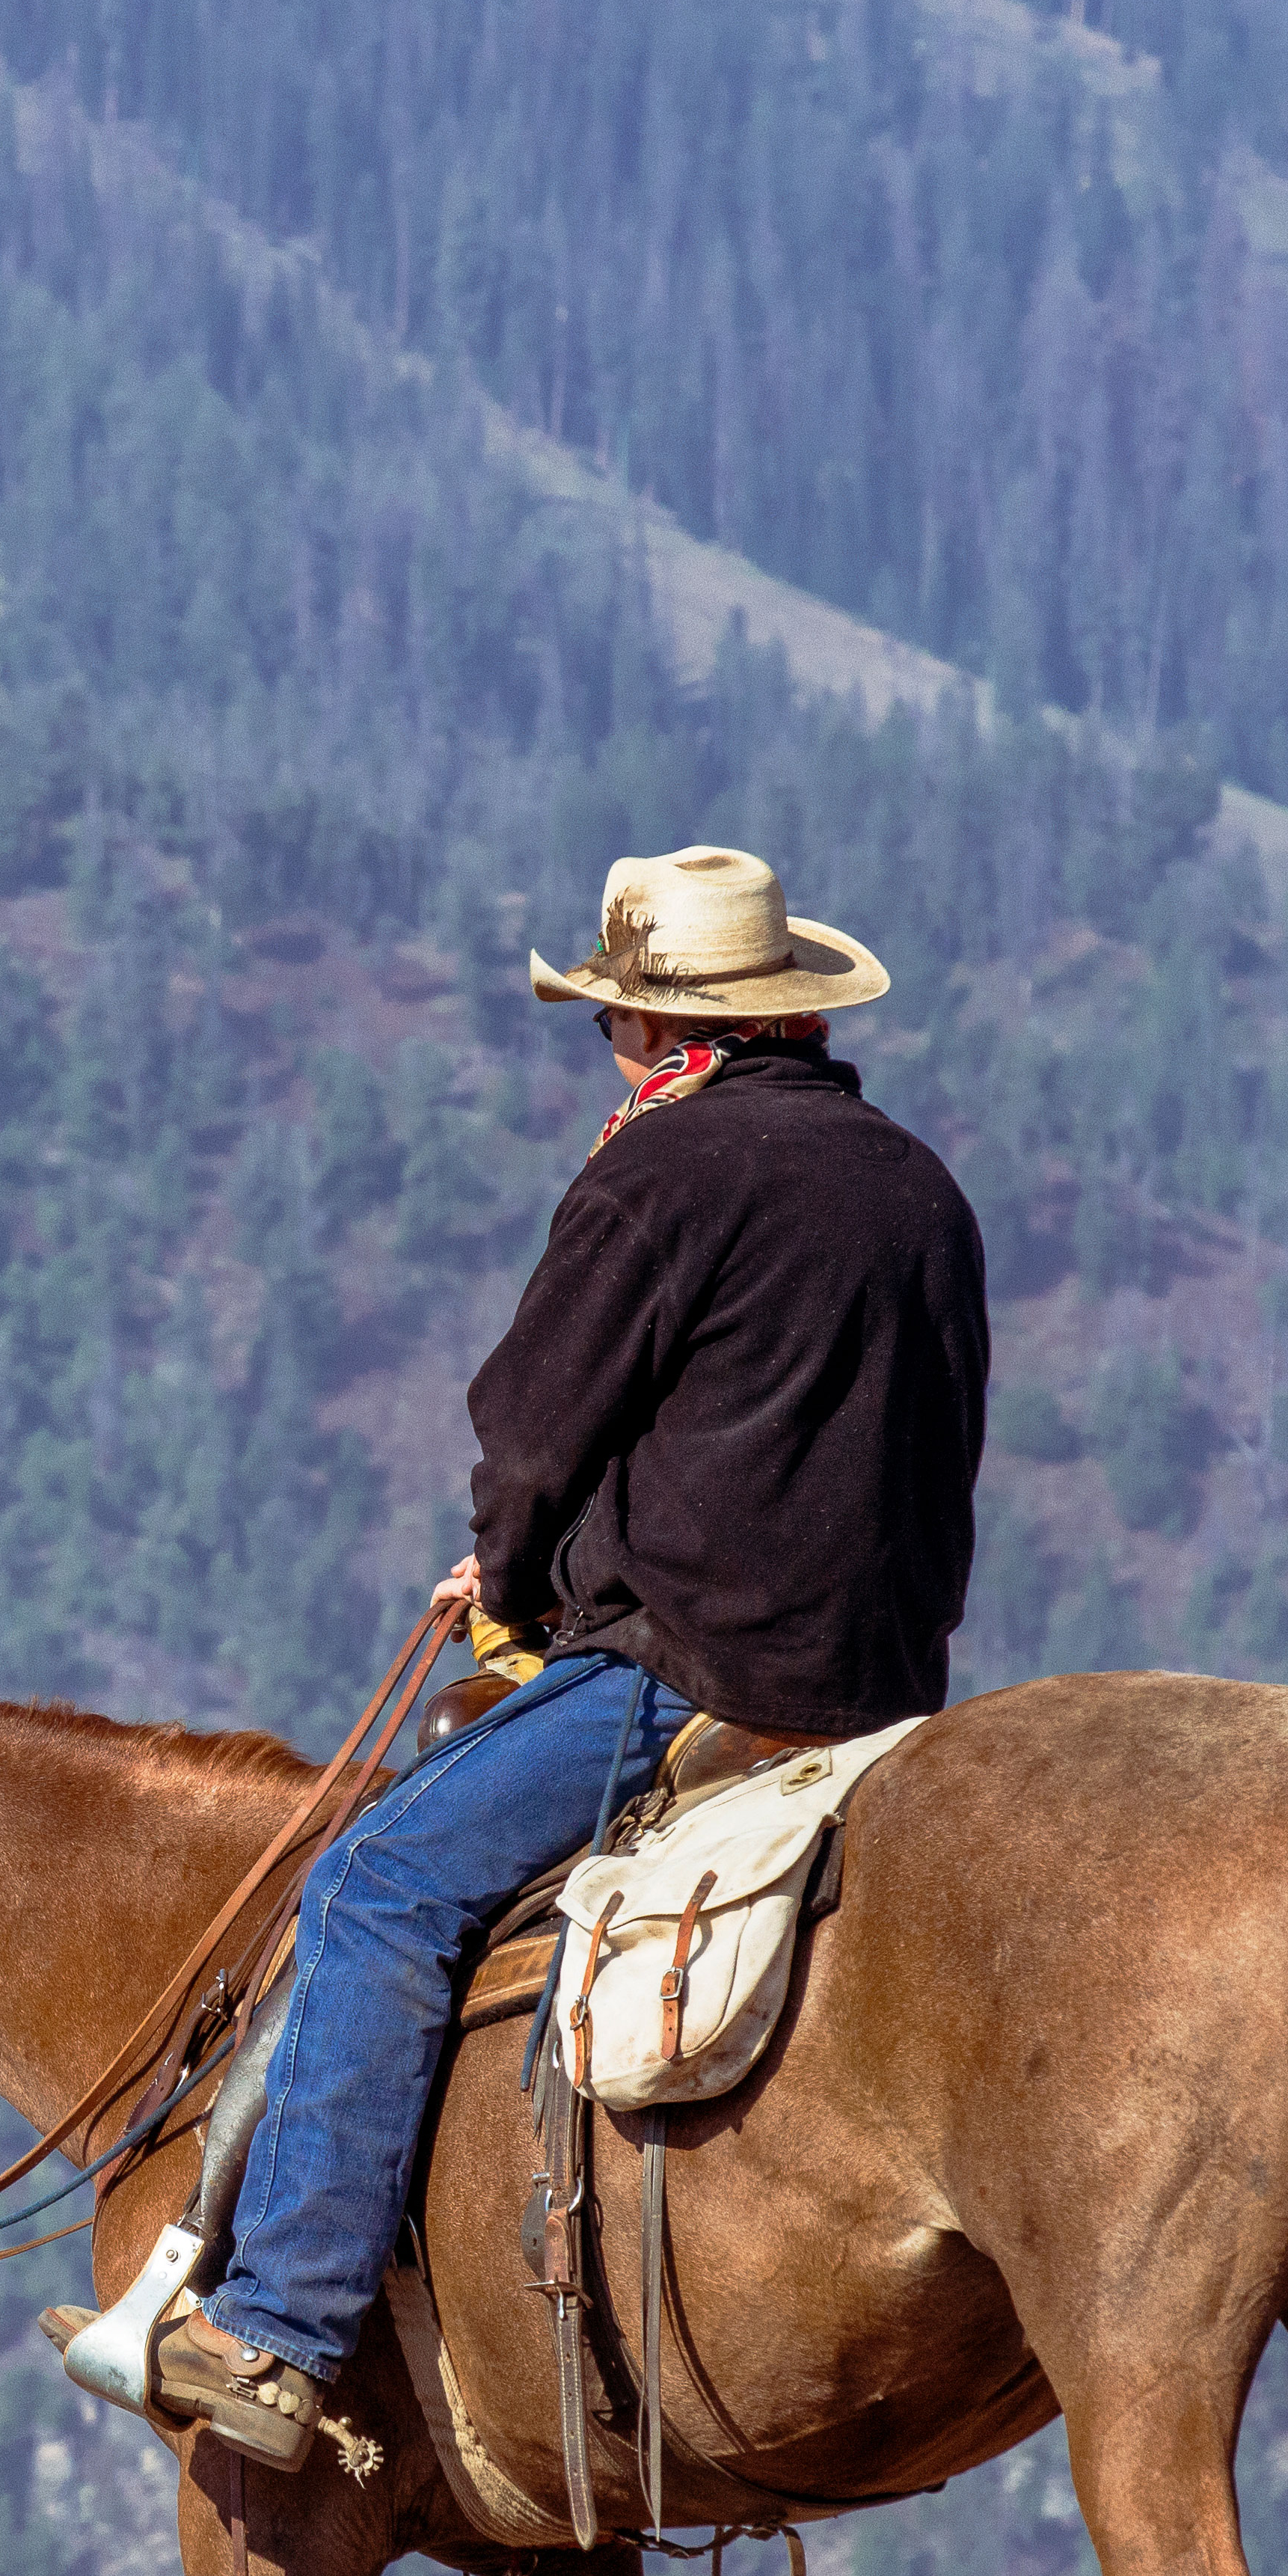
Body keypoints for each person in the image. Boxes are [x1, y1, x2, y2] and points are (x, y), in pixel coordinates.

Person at [96, 842, 991, 2462]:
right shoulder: (917, 1185)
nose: (605, 1045)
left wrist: (515, 1587)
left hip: (700, 1669)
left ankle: (278, 2325)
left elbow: (528, 1435)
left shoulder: (661, 1172)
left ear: (651, 1026)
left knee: (374, 1886)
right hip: (888, 1685)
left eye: (606, 1017)